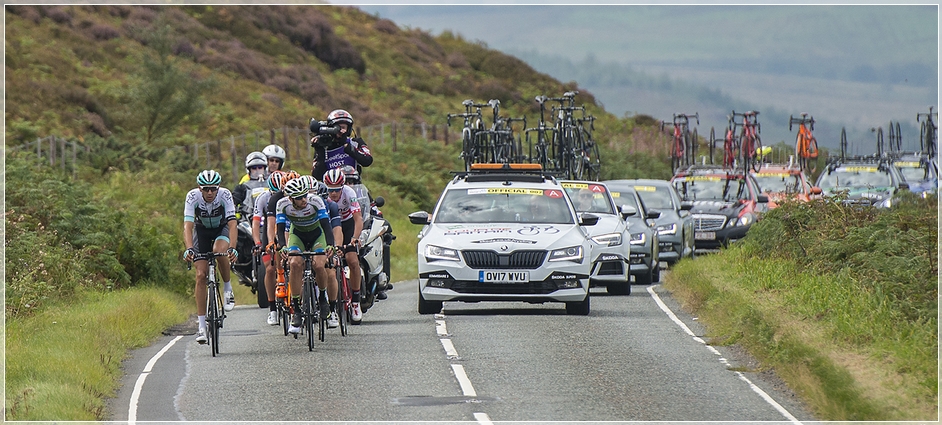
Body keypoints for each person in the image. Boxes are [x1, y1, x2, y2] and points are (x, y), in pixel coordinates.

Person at [182, 170, 238, 344]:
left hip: (222, 229)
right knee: (200, 276)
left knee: (219, 250)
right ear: (200, 188)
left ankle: (228, 289)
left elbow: (233, 224)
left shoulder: (225, 195)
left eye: (213, 189)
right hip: (202, 232)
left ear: (218, 187)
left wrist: (233, 248)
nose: (209, 193)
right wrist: (189, 248)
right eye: (205, 189)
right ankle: (201, 327)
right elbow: (188, 226)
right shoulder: (192, 197)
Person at [275, 177, 335, 335]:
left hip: (317, 235)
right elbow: (280, 230)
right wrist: (282, 247)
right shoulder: (282, 204)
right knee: (294, 263)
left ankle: (323, 298)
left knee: (320, 264)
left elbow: (326, 226)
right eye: (299, 197)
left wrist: (330, 245)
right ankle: (296, 309)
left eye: (305, 195)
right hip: (298, 235)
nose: (304, 200)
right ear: (290, 198)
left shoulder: (316, 201)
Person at [323, 167, 365, 323]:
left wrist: (355, 237)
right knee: (328, 264)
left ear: (343, 187)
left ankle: (355, 301)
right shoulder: (322, 195)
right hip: (329, 225)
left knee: (353, 260)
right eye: (330, 190)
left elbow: (358, 219)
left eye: (337, 190)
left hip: (347, 224)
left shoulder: (349, 193)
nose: (333, 194)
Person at [253, 170, 285, 326]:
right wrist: (258, 243)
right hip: (269, 229)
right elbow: (256, 222)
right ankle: (272, 308)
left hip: (287, 227)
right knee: (270, 269)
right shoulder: (263, 198)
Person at [311, 109, 373, 179]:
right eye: (337, 128)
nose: (340, 131)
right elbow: (317, 176)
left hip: (353, 185)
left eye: (343, 127)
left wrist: (348, 147)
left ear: (348, 129)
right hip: (332, 187)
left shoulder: (355, 142)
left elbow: (367, 160)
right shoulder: (325, 146)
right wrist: (320, 152)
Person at [233, 151, 269, 221]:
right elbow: (233, 201)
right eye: (254, 168)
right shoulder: (242, 187)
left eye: (260, 167)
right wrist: (234, 207)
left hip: (269, 218)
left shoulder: (272, 184)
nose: (257, 170)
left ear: (265, 169)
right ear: (249, 170)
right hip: (247, 219)